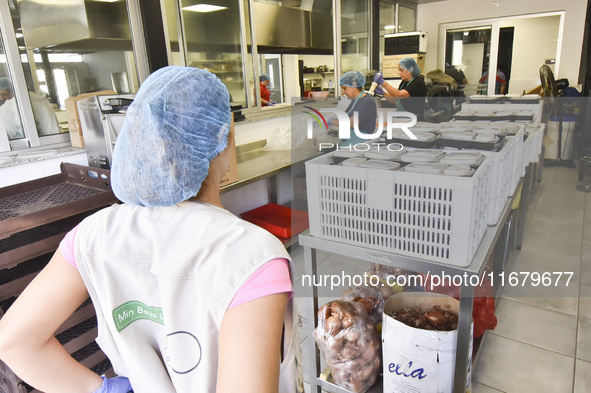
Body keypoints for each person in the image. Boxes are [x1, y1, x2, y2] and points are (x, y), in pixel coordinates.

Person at [0, 66, 297, 393]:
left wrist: (102, 390)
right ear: (226, 142)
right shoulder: (253, 257)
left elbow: (14, 341)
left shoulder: (92, 234)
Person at [333, 70, 377, 144]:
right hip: (351, 142)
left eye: (345, 88)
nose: (343, 92)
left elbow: (352, 123)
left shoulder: (367, 101)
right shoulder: (355, 100)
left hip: (360, 143)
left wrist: (331, 121)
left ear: (354, 85)